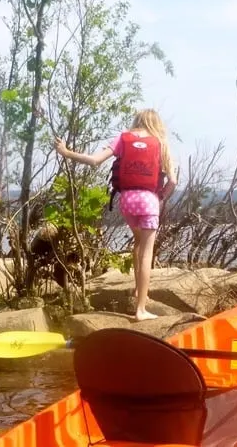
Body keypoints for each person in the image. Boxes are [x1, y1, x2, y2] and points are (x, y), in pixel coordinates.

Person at [53, 109, 177, 321]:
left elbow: (94, 161)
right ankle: (141, 309)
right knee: (147, 252)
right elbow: (173, 181)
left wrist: (66, 152)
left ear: (136, 122)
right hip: (149, 200)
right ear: (156, 124)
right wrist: (160, 197)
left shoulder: (123, 137)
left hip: (127, 201)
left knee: (138, 243)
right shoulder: (160, 142)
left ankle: (138, 290)